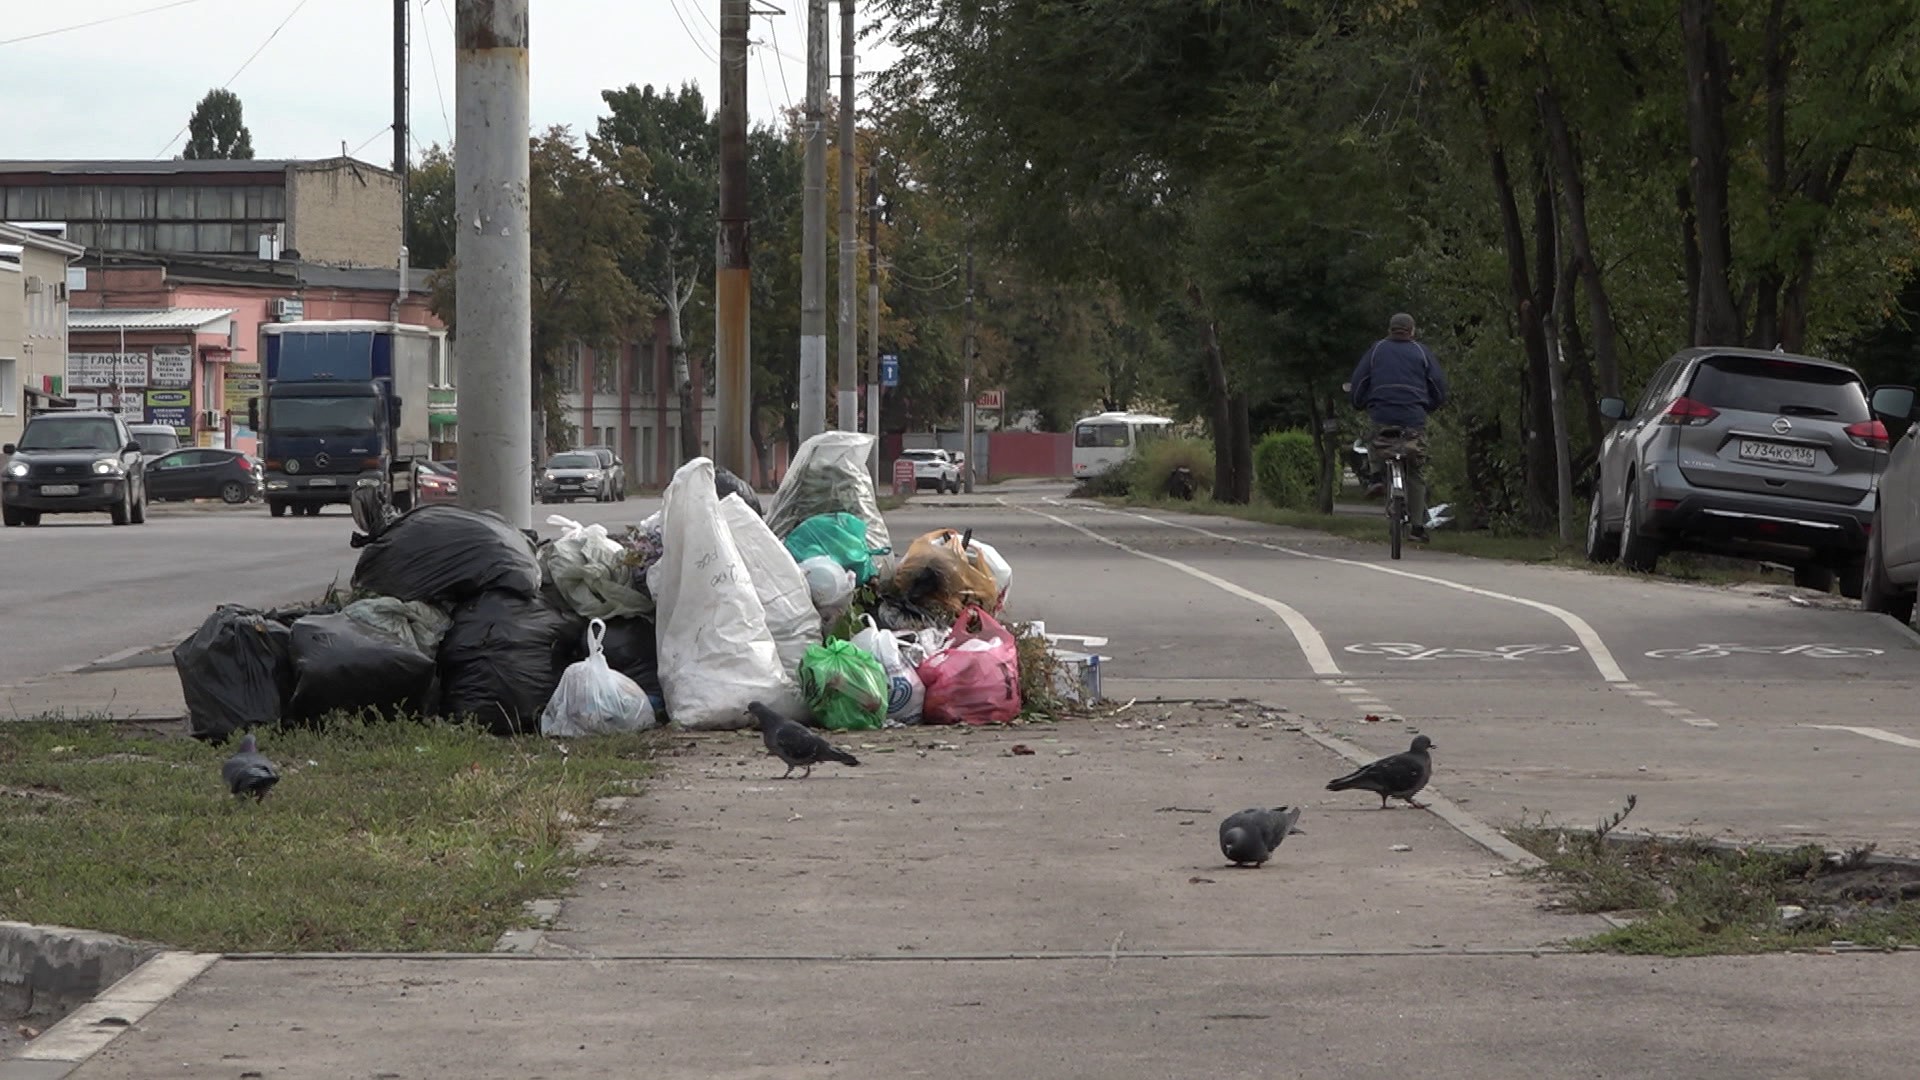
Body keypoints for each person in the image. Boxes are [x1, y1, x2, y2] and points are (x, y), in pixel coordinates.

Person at [1349, 312, 1449, 541]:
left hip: (1382, 414)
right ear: (1412, 330)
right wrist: (1430, 406)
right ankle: (1417, 527)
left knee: (1373, 437)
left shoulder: (1376, 350)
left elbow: (1359, 382)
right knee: (1416, 470)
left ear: (1390, 329)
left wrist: (1359, 402)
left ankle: (1375, 477)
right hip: (1414, 418)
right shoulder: (1421, 352)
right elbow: (1437, 385)